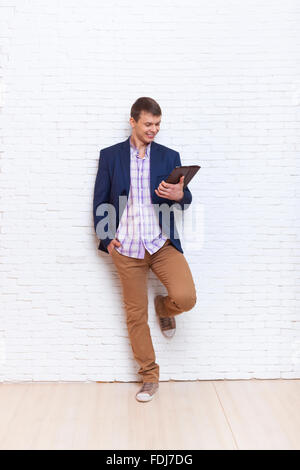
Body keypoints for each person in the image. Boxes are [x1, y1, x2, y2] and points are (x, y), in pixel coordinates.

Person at [93, 97, 197, 402]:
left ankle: (165, 307)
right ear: (133, 122)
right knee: (135, 315)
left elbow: (185, 197)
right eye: (148, 124)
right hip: (126, 249)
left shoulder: (169, 156)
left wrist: (179, 194)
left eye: (157, 124)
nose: (154, 129)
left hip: (161, 243)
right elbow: (100, 198)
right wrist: (105, 237)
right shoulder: (110, 156)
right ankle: (149, 376)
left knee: (186, 296)